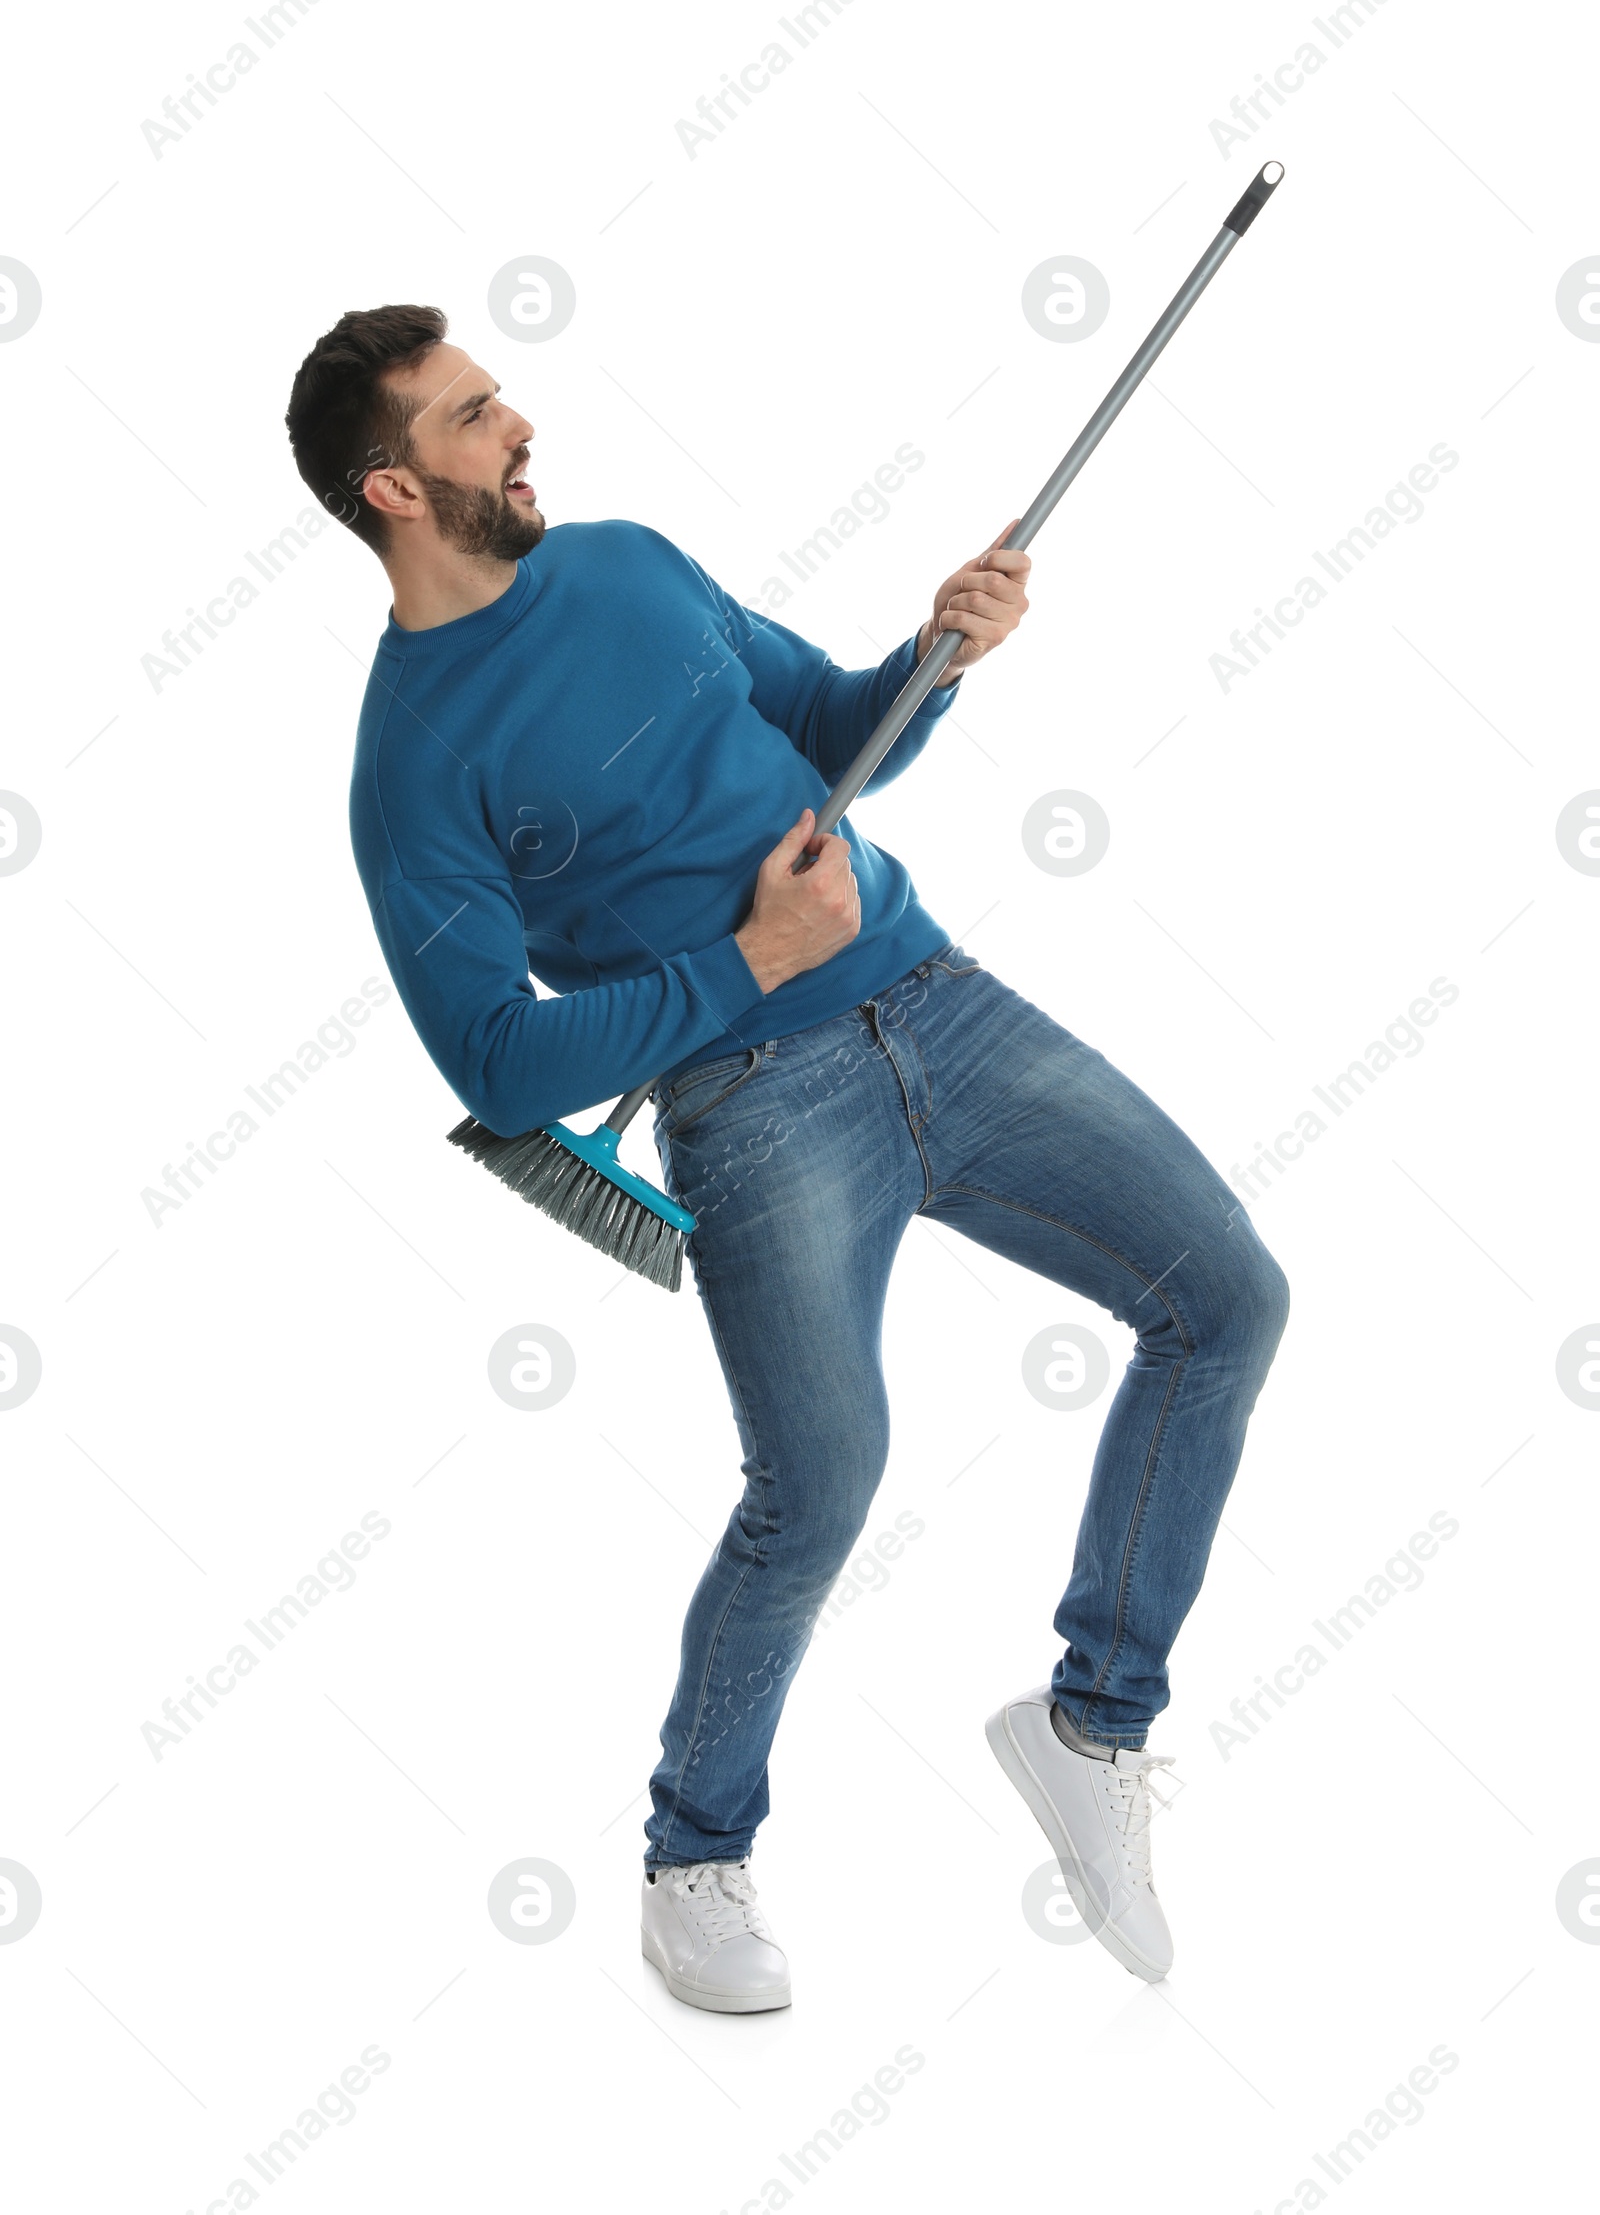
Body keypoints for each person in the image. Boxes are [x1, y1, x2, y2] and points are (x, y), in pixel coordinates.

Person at [287, 303, 1290, 2010]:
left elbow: (831, 731)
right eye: (474, 417)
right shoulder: (411, 766)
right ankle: (695, 1858)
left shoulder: (627, 563)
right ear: (393, 487)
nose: (519, 423)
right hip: (753, 1104)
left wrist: (937, 655)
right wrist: (741, 968)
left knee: (1229, 1300)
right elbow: (495, 1059)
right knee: (818, 1488)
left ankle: (1090, 1726)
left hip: (939, 1003)